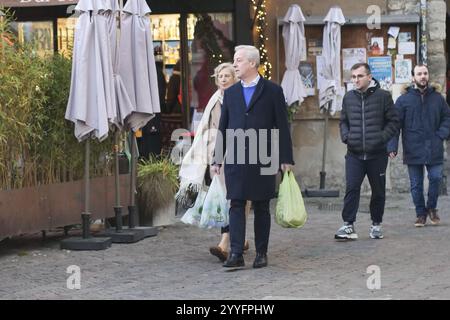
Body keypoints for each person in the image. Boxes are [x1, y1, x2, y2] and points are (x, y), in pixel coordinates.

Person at [212, 45, 294, 268]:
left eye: (238, 61)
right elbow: (223, 127)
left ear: (252, 63)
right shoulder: (230, 93)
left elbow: (282, 126)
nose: (235, 64)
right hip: (236, 158)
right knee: (236, 204)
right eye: (235, 61)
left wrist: (286, 158)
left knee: (261, 205)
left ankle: (261, 253)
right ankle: (236, 253)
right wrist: (217, 159)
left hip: (264, 157)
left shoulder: (273, 91)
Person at [176, 63, 250, 262]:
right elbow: (205, 129)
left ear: (235, 78)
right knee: (227, 197)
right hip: (216, 155)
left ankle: (227, 242)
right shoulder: (214, 99)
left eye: (227, 76)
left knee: (236, 197)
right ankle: (235, 239)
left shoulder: (241, 97)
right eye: (220, 76)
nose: (223, 79)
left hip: (237, 153)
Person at [335, 63, 399, 240]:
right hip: (354, 154)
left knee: (378, 191)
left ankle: (376, 224)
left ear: (369, 77)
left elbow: (394, 122)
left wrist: (381, 138)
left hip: (377, 155)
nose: (356, 80)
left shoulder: (384, 97)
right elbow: (343, 121)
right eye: (353, 76)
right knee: (352, 188)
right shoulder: (348, 98)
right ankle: (348, 225)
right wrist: (346, 136)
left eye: (359, 76)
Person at [388, 64, 450, 227]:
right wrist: (392, 146)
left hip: (434, 146)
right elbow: (395, 124)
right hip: (413, 147)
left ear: (428, 76)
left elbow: (447, 118)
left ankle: (431, 208)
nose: (423, 76)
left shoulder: (438, 98)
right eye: (419, 74)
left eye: (425, 73)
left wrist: (441, 135)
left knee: (436, 178)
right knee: (416, 184)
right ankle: (420, 214)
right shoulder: (404, 100)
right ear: (413, 77)